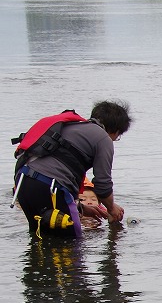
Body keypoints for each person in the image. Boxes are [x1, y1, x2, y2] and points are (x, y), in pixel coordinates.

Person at [11, 100, 132, 239]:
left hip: (23, 183)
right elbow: (103, 185)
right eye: (117, 137)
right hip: (50, 187)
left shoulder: (71, 127)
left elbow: (60, 163)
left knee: (40, 238)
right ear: (115, 130)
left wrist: (80, 208)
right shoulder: (103, 138)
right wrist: (112, 209)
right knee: (72, 245)